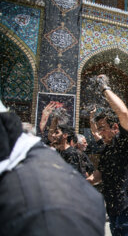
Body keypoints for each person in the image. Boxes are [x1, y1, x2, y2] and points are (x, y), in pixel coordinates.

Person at [0, 100, 105, 236]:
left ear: (65, 136)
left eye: (57, 132)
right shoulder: (54, 152)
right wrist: (51, 118)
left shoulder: (72, 154)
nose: (53, 134)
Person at [86, 74, 128, 236]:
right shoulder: (107, 150)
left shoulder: (127, 141)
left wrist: (105, 88)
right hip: (114, 208)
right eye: (99, 129)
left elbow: (123, 114)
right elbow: (98, 176)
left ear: (115, 127)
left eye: (102, 128)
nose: (99, 133)